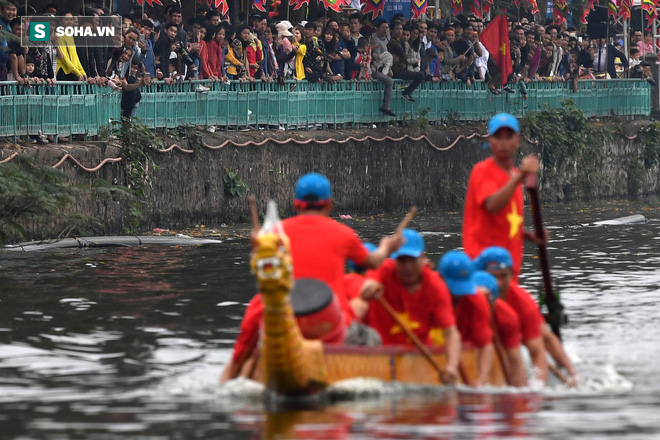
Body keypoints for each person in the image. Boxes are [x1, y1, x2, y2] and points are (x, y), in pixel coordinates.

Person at [220, 173, 404, 382]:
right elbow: (373, 262)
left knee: (243, 352)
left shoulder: (275, 234)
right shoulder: (344, 233)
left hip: (283, 316)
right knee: (372, 338)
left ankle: (231, 374)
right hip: (331, 322)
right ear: (329, 205)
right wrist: (387, 246)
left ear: (296, 204)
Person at [358, 229, 461, 385]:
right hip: (380, 355)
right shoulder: (384, 269)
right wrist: (368, 288)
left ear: (423, 258)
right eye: (402, 260)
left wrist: (452, 367)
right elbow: (368, 285)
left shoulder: (436, 287)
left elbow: (451, 332)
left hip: (418, 358)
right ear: (394, 261)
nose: (407, 267)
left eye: (411, 260)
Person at [474, 246, 578, 386]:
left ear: (512, 274)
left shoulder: (523, 302)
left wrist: (537, 387)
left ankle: (571, 372)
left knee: (543, 334)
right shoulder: (466, 291)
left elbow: (536, 352)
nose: (498, 283)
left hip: (509, 328)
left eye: (503, 276)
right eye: (492, 276)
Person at [462, 113, 545, 279]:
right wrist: (521, 176)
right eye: (498, 137)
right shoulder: (482, 171)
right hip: (485, 268)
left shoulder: (513, 175)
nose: (503, 143)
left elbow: (507, 221)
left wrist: (530, 235)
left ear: (518, 140)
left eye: (508, 136)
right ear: (490, 141)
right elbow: (493, 205)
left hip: (509, 268)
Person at [438, 250, 493, 387]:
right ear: (440, 279)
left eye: (461, 289)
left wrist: (481, 380)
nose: (458, 296)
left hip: (459, 348)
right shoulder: (429, 290)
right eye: (453, 289)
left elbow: (485, 344)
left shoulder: (477, 300)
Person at [472, 270, 528, 387]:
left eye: (485, 303)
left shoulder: (508, 317)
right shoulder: (459, 304)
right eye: (477, 303)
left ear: (494, 301)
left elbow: (515, 361)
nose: (480, 308)